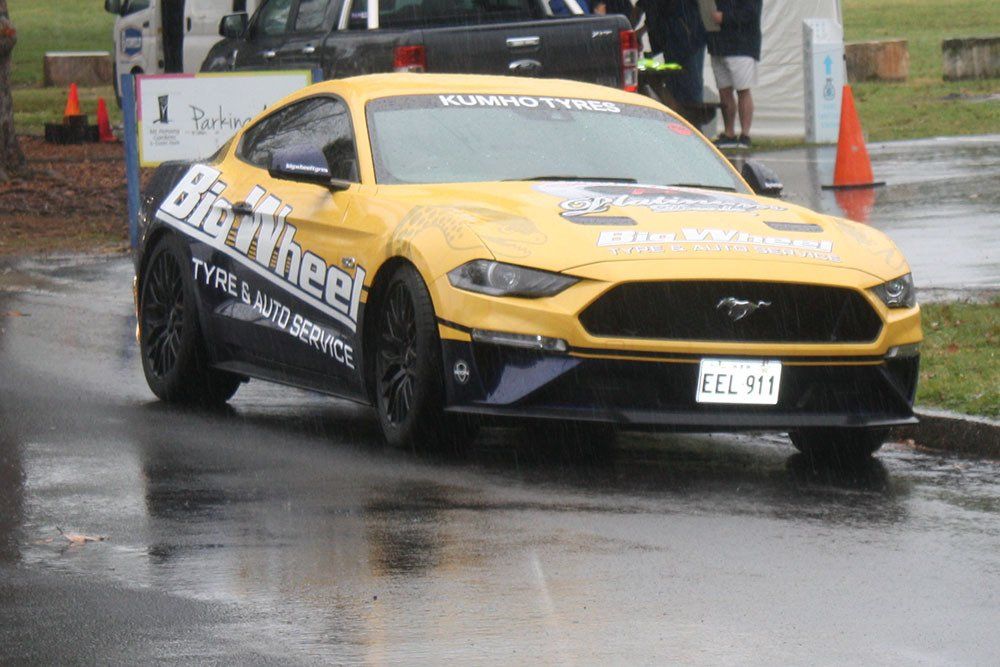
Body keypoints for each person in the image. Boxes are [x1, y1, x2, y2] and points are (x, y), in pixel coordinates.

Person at [706, 0, 762, 148]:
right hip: (718, 44)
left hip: (741, 45)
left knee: (743, 90)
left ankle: (745, 135)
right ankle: (729, 133)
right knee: (724, 90)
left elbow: (751, 13)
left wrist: (724, 18)